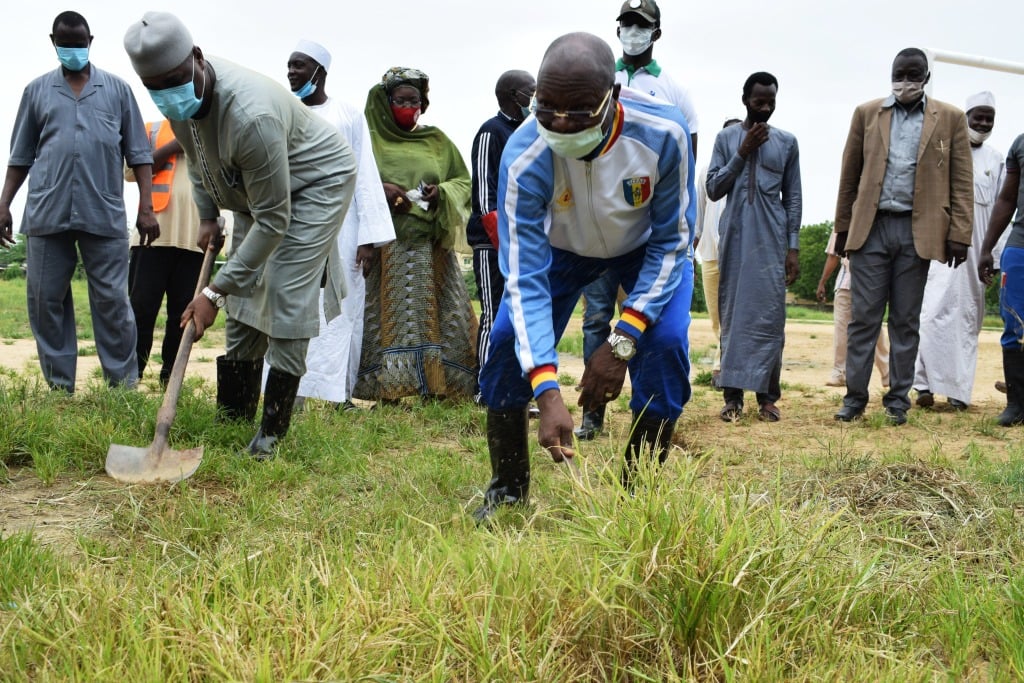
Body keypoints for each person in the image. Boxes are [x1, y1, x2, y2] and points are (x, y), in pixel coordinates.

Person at [471, 32, 695, 523]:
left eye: (577, 111)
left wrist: (622, 341)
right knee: (508, 339)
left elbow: (673, 242)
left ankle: (637, 496)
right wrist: (547, 392)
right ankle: (508, 489)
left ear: (611, 98)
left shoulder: (664, 135)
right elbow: (525, 277)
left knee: (668, 345)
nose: (559, 122)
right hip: (563, 252)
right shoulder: (525, 153)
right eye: (545, 106)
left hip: (644, 252)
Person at [123, 11, 357, 458]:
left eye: (172, 80)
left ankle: (270, 435)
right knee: (247, 294)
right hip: (251, 186)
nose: (166, 95)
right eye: (154, 87)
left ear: (196, 58)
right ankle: (233, 415)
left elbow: (274, 219)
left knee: (286, 286)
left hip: (315, 183)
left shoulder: (251, 115)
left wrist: (212, 293)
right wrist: (208, 216)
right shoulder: (183, 102)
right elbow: (199, 161)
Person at [0, 11, 159, 393]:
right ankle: (59, 387)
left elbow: (139, 154)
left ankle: (122, 389)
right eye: (65, 44)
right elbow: (20, 156)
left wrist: (147, 208)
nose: (73, 50)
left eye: (79, 43)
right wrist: (4, 204)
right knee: (44, 301)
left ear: (91, 41)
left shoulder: (118, 91)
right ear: (53, 42)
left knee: (113, 303)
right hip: (46, 211)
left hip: (102, 211)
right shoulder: (36, 91)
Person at [573, 0, 700, 441]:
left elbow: (686, 163)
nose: (632, 30)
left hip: (648, 233)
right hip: (595, 228)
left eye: (640, 24)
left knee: (652, 327)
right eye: (626, 23)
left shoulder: (673, 91)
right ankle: (592, 414)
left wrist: (685, 227)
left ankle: (647, 414)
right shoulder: (598, 81)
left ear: (656, 33)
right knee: (595, 320)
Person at [832, 47, 973, 426]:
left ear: (926, 77)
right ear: (891, 74)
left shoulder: (951, 119)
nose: (905, 81)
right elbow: (850, 174)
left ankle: (897, 401)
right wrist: (841, 228)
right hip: (871, 227)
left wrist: (960, 233)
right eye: (899, 74)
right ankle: (855, 399)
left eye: (913, 75)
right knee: (863, 318)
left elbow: (961, 182)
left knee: (906, 321)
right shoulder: (867, 113)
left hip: (918, 230)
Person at [282, 40, 395, 411]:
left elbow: (365, 175)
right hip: (294, 227)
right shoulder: (282, 112)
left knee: (343, 311)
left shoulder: (347, 114)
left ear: (320, 71)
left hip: (343, 230)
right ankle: (289, 389)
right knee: (293, 308)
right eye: (289, 66)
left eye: (299, 65)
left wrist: (368, 238)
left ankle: (337, 394)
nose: (291, 72)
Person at [353, 67, 477, 405]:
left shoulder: (436, 140)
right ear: (385, 102)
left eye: (416, 100)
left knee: (443, 316)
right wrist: (381, 190)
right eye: (402, 100)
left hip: (430, 247)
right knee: (385, 320)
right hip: (385, 249)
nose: (411, 106)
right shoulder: (367, 140)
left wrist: (441, 193)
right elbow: (351, 180)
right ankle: (386, 392)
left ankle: (440, 388)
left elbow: (463, 181)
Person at [707, 72, 802, 423]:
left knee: (769, 317)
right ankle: (732, 397)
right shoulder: (726, 138)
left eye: (771, 102)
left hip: (771, 238)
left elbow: (793, 198)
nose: (765, 108)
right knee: (732, 311)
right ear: (745, 99)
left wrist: (793, 248)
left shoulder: (788, 143)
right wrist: (742, 153)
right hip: (734, 233)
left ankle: (768, 397)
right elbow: (714, 188)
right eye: (759, 101)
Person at [913, 92, 1004, 410]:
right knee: (931, 315)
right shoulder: (945, 153)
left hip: (977, 256)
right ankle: (923, 386)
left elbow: (1002, 213)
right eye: (977, 116)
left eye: (988, 118)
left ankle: (958, 392)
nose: (982, 123)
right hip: (941, 251)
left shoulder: (996, 160)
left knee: (967, 322)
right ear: (964, 117)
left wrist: (993, 257)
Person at [468, 70, 535, 400]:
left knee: (521, 318)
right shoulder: (490, 133)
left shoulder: (531, 132)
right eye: (530, 92)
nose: (535, 98)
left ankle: (516, 389)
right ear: (513, 95)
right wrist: (504, 241)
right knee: (494, 315)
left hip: (524, 243)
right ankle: (486, 389)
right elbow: (484, 196)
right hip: (492, 243)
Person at [125, 120, 204, 386]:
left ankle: (170, 379)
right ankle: (131, 375)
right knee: (140, 310)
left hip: (195, 240)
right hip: (152, 237)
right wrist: (177, 144)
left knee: (182, 316)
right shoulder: (151, 130)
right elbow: (132, 170)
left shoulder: (212, 130)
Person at [978, 132, 1024, 426]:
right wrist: (987, 248)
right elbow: (1007, 198)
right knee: (1015, 323)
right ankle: (1016, 405)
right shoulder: (1020, 144)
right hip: (1020, 248)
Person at [695, 118, 741, 389]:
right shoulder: (706, 172)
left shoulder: (749, 170)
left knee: (735, 314)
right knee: (717, 317)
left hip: (740, 254)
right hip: (710, 254)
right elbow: (699, 214)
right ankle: (724, 363)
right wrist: (693, 249)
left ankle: (721, 367)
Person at [817, 232, 890, 388]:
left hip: (871, 282)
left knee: (874, 329)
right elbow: (833, 255)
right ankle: (839, 372)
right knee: (841, 329)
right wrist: (822, 282)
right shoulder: (841, 226)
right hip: (845, 283)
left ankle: (887, 372)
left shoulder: (877, 222)